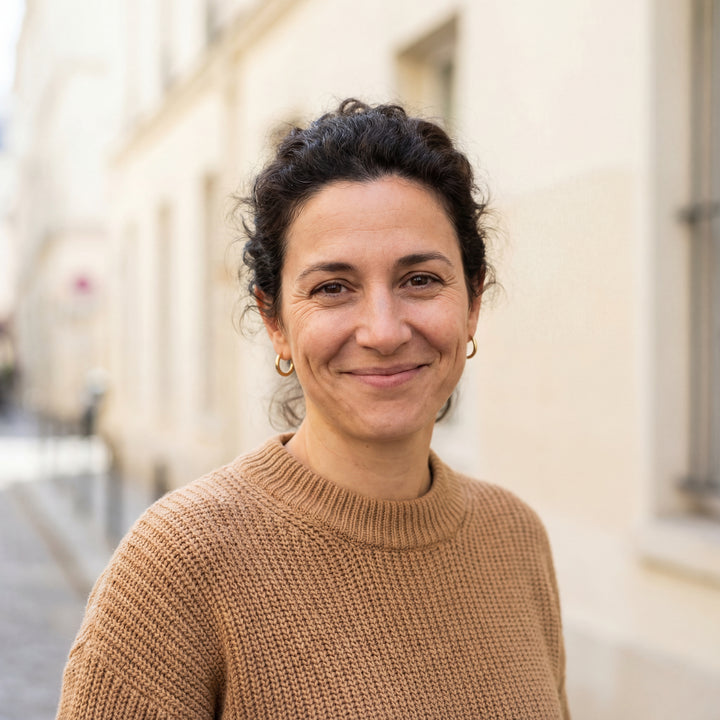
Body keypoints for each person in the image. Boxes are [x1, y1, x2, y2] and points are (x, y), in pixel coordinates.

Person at [57, 99, 570, 719]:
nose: (383, 331)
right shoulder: (178, 567)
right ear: (274, 320)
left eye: (420, 280)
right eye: (333, 288)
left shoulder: (515, 538)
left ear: (473, 301)